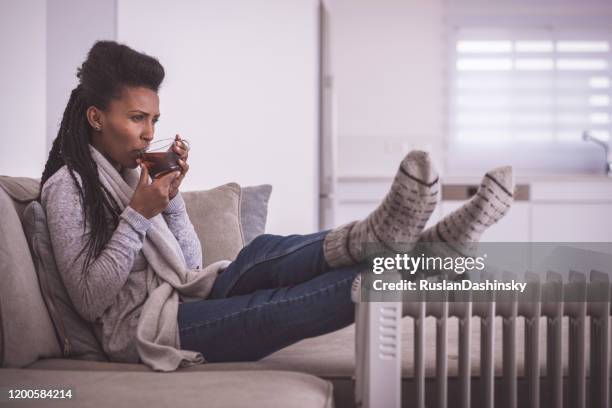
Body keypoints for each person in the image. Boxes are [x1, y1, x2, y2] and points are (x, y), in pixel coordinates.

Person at [39, 40, 515, 372]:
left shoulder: (128, 176)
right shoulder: (68, 187)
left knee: (262, 254)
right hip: (139, 332)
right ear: (96, 117)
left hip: (181, 295)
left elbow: (190, 265)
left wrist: (173, 201)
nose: (148, 133)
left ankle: (378, 238)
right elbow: (88, 299)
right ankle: (423, 260)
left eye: (154, 119)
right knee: (272, 308)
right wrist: (139, 214)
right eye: (137, 118)